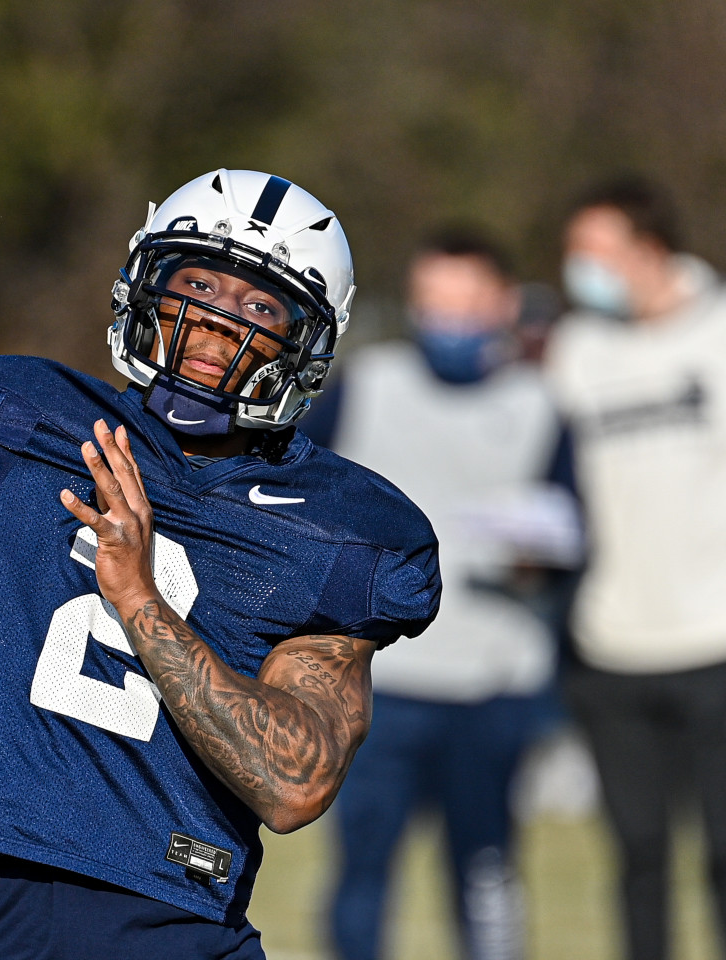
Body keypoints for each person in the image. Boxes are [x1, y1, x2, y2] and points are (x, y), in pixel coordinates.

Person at [0, 161, 441, 960]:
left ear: (306, 341)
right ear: (146, 286)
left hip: (178, 924)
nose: (216, 322)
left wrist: (139, 599)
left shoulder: (341, 529)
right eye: (197, 285)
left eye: (259, 305)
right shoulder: (20, 428)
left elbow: (292, 784)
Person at [300, 228, 580, 960]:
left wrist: (544, 561)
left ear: (502, 304)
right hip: (374, 686)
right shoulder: (364, 385)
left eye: (465, 303)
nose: (448, 320)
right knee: (361, 873)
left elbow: (576, 536)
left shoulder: (542, 406)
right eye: (434, 303)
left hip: (494, 688)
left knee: (486, 878)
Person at [546, 176, 726, 960]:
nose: (579, 269)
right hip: (611, 649)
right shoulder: (578, 350)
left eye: (595, 252)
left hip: (716, 642)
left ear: (648, 249)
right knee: (639, 857)